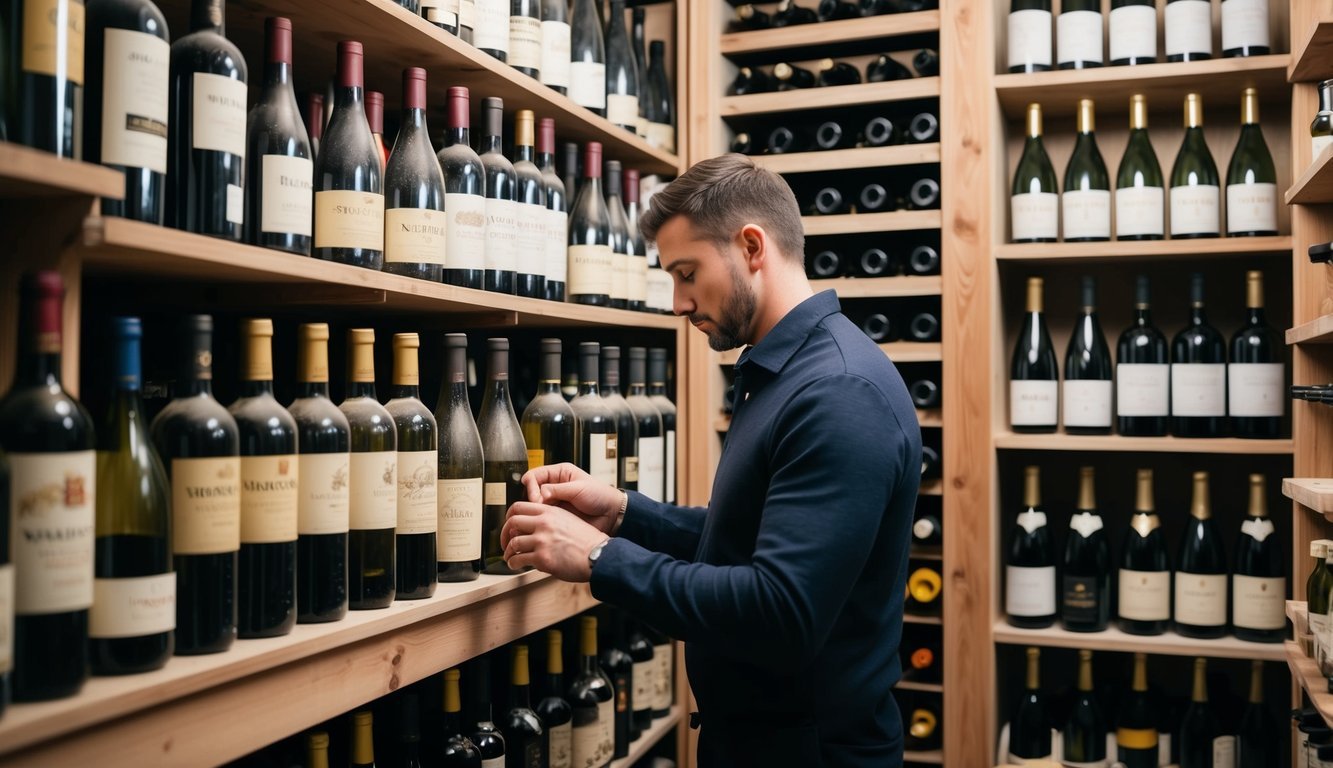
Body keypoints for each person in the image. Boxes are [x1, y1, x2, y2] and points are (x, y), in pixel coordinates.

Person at [500, 154, 922, 767]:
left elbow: (781, 611)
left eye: (687, 273)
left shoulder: (838, 392)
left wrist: (596, 556)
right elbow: (751, 540)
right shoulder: (785, 373)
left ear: (752, 246)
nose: (677, 302)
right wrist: (621, 513)